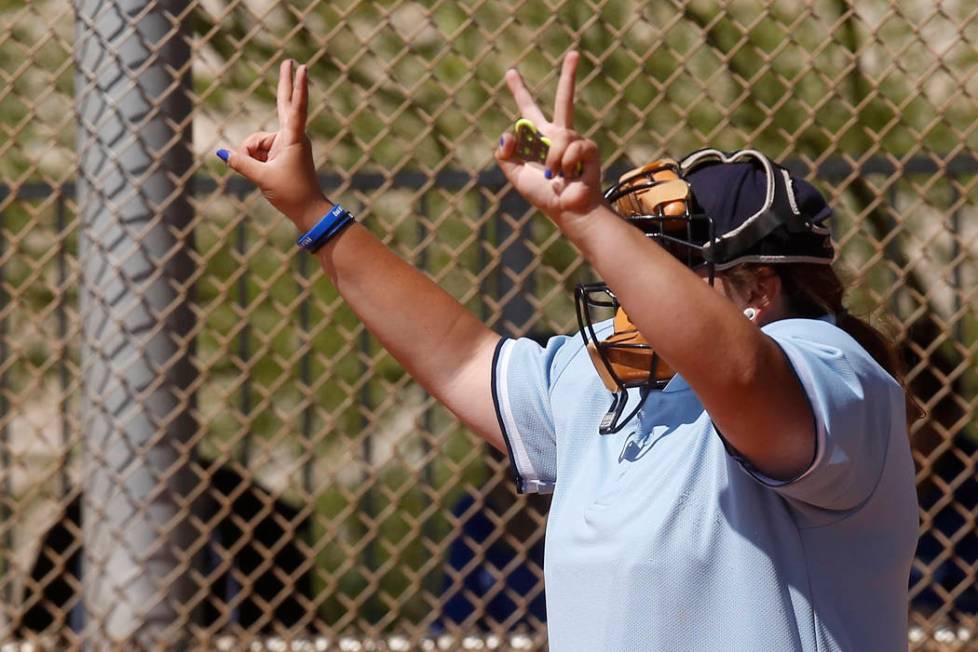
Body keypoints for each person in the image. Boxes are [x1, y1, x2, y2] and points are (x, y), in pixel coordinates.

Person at [219, 52, 919, 651]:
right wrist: (314, 214)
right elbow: (463, 359)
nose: (626, 284)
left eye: (661, 264)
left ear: (758, 290)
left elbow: (738, 374)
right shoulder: (615, 387)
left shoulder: (830, 369)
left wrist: (586, 219)